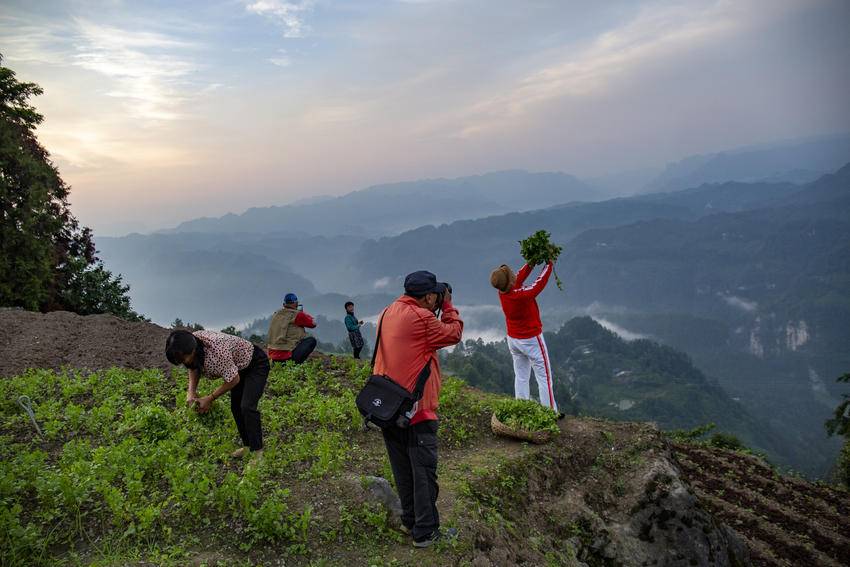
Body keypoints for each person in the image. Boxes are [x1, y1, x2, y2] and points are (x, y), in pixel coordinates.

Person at [373, 270, 463, 548]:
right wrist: (448, 307)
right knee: (423, 472)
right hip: (416, 410)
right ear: (428, 296)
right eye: (436, 294)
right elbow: (454, 333)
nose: (438, 297)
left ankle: (410, 521)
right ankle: (425, 533)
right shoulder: (423, 318)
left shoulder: (389, 311)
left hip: (389, 408)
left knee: (403, 470)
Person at [165, 329, 270, 459]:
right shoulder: (192, 341)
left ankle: (257, 452)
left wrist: (210, 398)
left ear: (193, 351)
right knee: (236, 407)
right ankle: (248, 446)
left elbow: (233, 379)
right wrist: (191, 392)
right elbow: (193, 367)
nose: (184, 363)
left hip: (255, 364)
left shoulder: (218, 352)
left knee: (247, 407)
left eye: (183, 359)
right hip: (237, 366)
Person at [490, 260, 560, 414]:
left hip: (513, 340)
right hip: (531, 339)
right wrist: (549, 265)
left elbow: (518, 277)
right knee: (544, 378)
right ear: (509, 282)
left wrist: (532, 262)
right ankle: (550, 413)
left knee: (521, 376)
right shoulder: (519, 295)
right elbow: (538, 285)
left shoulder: (503, 292)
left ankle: (521, 408)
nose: (514, 275)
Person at [267, 293, 318, 364]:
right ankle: (295, 364)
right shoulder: (297, 315)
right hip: (287, 356)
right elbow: (313, 324)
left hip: (273, 357)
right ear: (296, 303)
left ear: (284, 304)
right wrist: (303, 314)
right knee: (311, 340)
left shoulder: (276, 314)